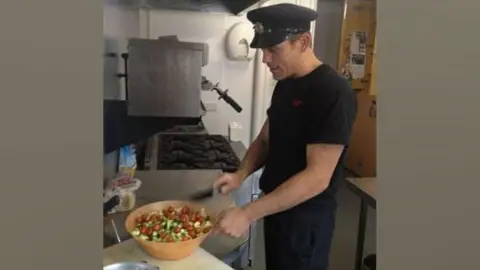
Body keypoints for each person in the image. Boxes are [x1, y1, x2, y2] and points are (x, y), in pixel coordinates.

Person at [213, 3, 358, 270]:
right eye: (263, 50)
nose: (265, 59)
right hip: (277, 209)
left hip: (305, 222)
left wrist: (247, 214)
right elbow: (266, 138)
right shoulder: (285, 85)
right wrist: (239, 175)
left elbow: (317, 178)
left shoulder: (331, 92)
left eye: (273, 49)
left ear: (303, 41)